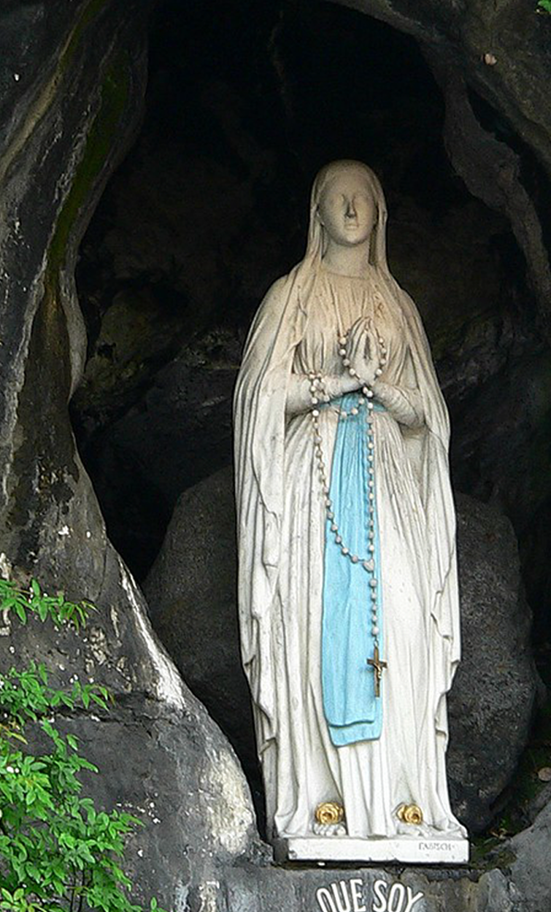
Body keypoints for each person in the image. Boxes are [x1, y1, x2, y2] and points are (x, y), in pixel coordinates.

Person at [233, 159, 465, 846]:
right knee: (316, 625)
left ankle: (404, 801)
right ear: (317, 213)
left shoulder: (398, 306)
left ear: (382, 211)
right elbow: (256, 399)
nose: (353, 208)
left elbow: (432, 416)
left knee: (400, 622)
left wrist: (384, 392)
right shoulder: (291, 296)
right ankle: (323, 800)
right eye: (338, 197)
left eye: (364, 196)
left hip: (388, 483)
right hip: (313, 485)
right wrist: (331, 384)